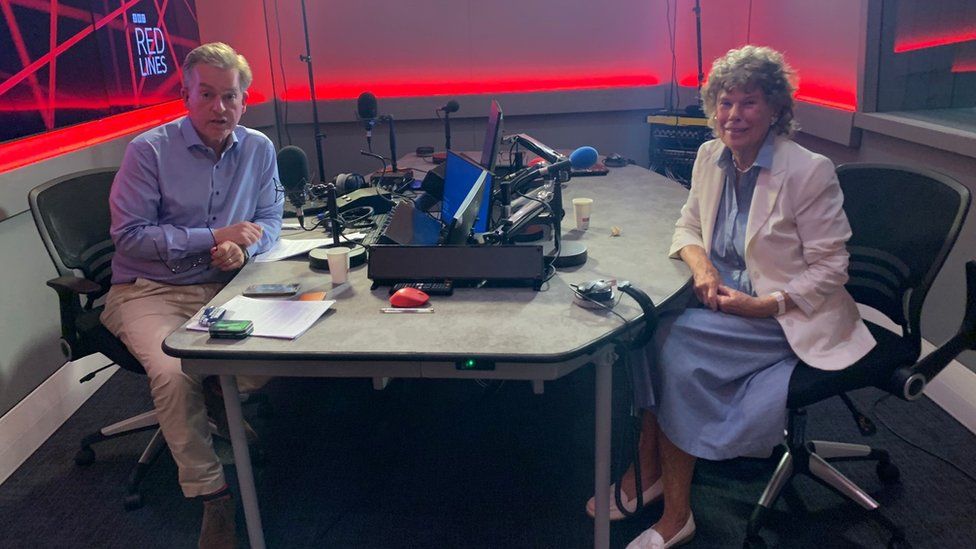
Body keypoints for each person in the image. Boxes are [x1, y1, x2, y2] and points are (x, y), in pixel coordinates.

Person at [585, 45, 876, 548]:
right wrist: (701, 267)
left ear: (775, 110)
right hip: (720, 303)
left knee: (675, 352)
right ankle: (649, 471)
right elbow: (689, 223)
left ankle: (677, 514)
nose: (733, 116)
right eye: (724, 102)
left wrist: (767, 305)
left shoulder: (808, 170)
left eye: (748, 103)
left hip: (785, 317)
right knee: (645, 330)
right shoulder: (710, 155)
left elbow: (833, 267)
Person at [101, 42, 283, 548]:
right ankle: (213, 495)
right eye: (207, 94)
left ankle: (219, 394)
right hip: (147, 291)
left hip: (225, 286)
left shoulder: (260, 149)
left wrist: (243, 252)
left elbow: (269, 220)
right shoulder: (148, 151)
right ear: (186, 94)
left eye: (230, 96)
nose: (219, 108)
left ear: (244, 100)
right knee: (174, 371)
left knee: (296, 343)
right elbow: (131, 235)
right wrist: (215, 239)